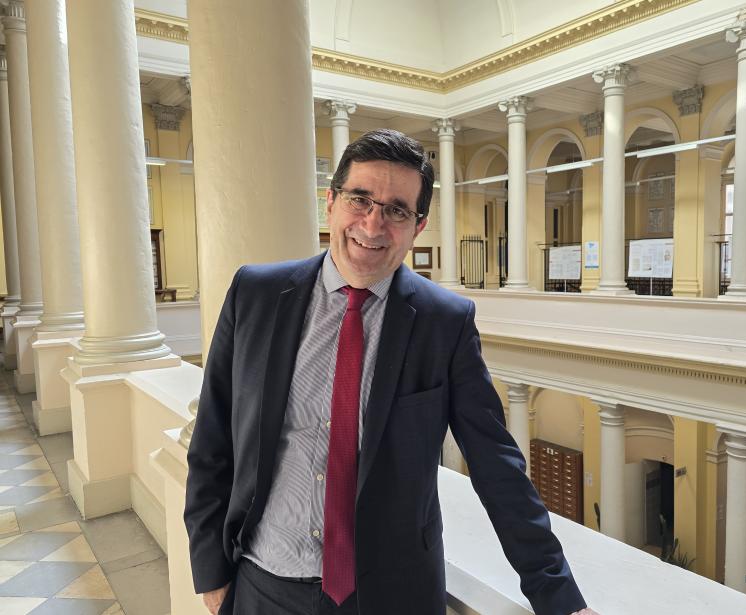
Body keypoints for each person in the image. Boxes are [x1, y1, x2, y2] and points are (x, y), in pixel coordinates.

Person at [184, 128, 598, 615]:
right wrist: (210, 567)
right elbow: (212, 440)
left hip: (392, 595)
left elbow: (496, 465)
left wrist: (558, 596)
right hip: (265, 585)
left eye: (397, 210)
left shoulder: (445, 322)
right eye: (360, 199)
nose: (373, 224)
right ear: (332, 201)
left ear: (418, 225)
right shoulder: (256, 293)